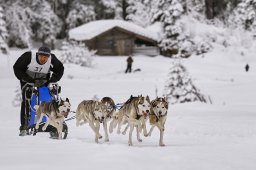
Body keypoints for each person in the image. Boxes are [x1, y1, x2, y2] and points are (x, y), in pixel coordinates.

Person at [13, 46, 64, 136]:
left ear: (48, 57)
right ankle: (25, 125)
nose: (43, 59)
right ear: (37, 54)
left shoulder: (52, 59)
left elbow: (60, 69)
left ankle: (52, 124)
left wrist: (52, 80)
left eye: (45, 57)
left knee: (49, 100)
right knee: (27, 101)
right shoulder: (29, 56)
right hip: (28, 81)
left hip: (44, 82)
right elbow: (17, 68)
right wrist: (27, 78)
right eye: (41, 56)